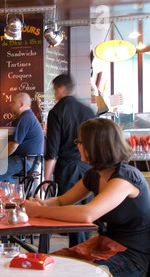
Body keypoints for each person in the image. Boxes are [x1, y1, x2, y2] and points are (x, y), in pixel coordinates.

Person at [24, 118, 150, 277]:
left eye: (79, 141)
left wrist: (39, 212)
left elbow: (88, 214)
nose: (77, 146)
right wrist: (42, 203)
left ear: (95, 146)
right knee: (40, 266)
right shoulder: (95, 174)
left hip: (131, 260)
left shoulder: (125, 178)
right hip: (104, 247)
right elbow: (62, 200)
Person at [44, 74, 96, 247]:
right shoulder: (87, 110)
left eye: (54, 89)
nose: (54, 94)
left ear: (60, 88)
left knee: (72, 214)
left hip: (67, 168)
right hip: (89, 166)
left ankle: (78, 253)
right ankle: (86, 251)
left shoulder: (57, 112)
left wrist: (46, 177)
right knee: (87, 214)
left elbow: (52, 149)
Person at [0, 92, 44, 187]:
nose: (10, 105)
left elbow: (13, 146)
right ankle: (15, 194)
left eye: (13, 102)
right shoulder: (28, 117)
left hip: (25, 161)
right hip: (29, 160)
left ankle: (14, 196)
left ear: (21, 104)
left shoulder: (25, 119)